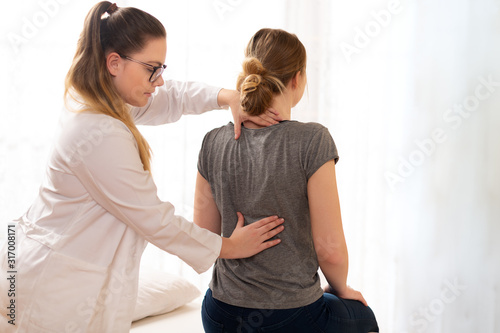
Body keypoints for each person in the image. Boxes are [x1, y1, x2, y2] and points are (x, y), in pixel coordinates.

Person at [0, 3, 286, 332]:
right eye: (152, 69)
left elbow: (171, 97)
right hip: (55, 288)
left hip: (49, 266)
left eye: (162, 68)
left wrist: (226, 97)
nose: (160, 80)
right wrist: (230, 247)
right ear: (114, 63)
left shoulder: (102, 99)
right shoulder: (98, 129)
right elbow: (155, 220)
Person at [194, 28, 379, 332]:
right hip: (292, 316)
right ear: (297, 79)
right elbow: (329, 248)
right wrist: (342, 288)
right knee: (363, 318)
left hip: (219, 314)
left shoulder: (212, 141)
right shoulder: (312, 140)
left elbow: (203, 234)